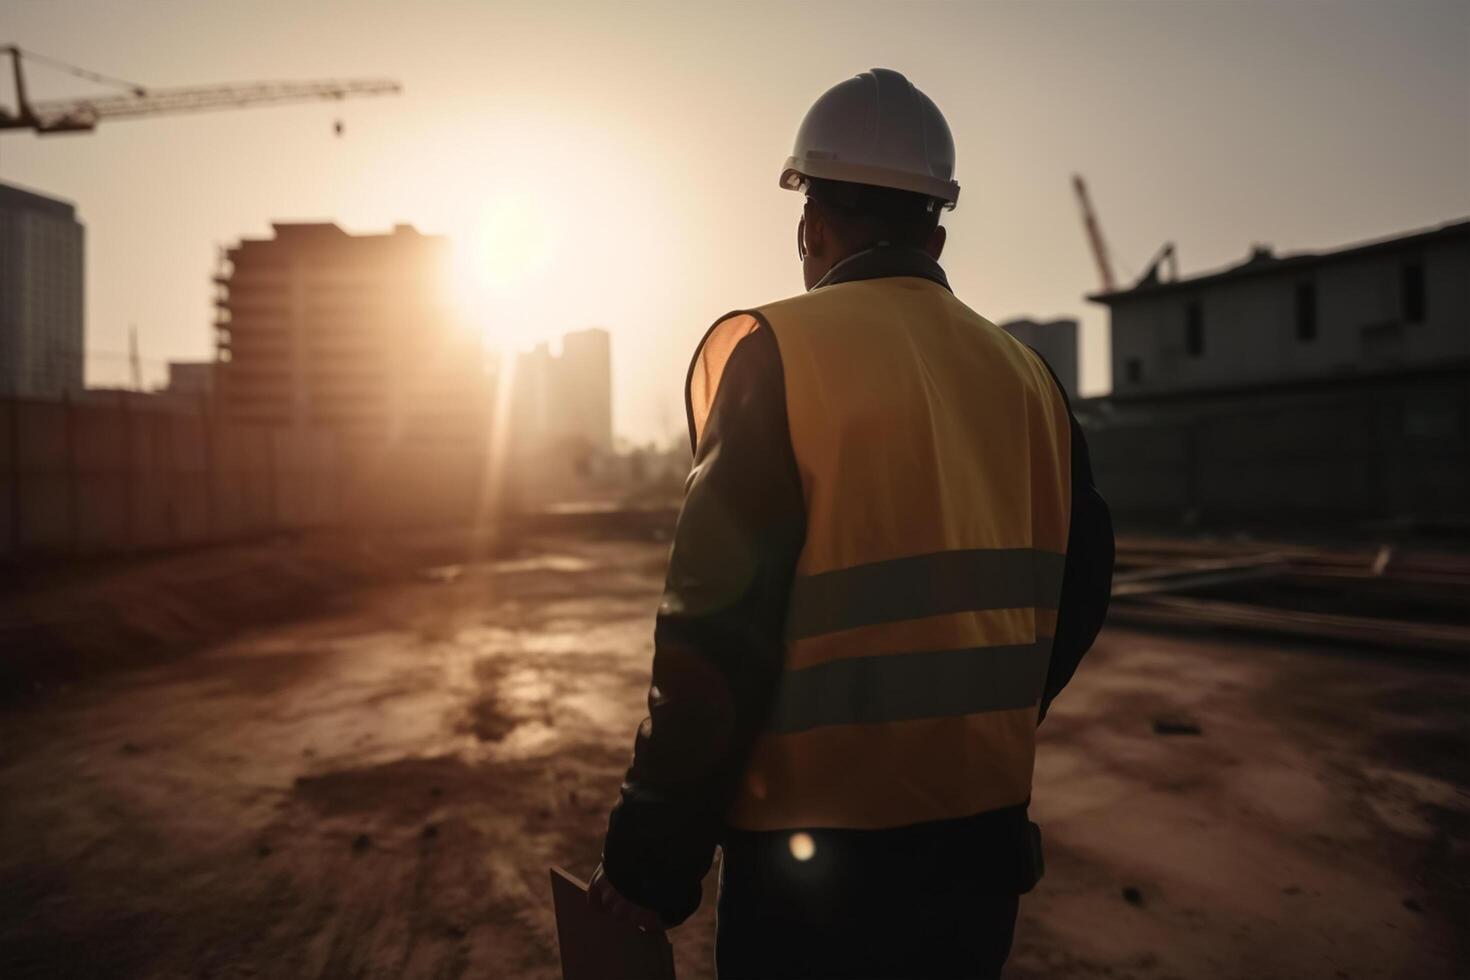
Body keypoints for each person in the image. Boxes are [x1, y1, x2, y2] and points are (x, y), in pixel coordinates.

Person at [590, 67, 1114, 979]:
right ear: (937, 227)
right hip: (977, 866)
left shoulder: (777, 356)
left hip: (813, 882)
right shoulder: (1029, 379)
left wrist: (650, 866)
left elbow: (712, 640)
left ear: (811, 224)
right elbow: (1085, 585)